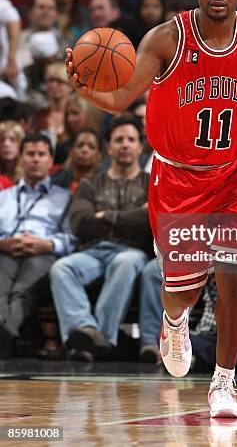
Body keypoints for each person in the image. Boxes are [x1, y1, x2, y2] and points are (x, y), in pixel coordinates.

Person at [66, 0, 237, 418]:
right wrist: (87, 89)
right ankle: (174, 320)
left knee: (234, 276)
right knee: (183, 290)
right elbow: (123, 97)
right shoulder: (167, 38)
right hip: (176, 179)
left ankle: (224, 384)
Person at [50, 115, 150, 361]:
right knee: (62, 268)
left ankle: (99, 339)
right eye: (119, 140)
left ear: (140, 146)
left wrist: (106, 216)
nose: (125, 144)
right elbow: (80, 223)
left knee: (124, 262)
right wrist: (134, 216)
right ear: (108, 147)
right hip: (93, 251)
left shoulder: (152, 184)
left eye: (131, 139)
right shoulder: (90, 184)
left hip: (132, 251)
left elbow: (151, 222)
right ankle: (87, 329)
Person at [0, 133, 75, 358]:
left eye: (41, 154)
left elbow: (71, 238)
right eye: (30, 154)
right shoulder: (4, 196)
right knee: (1, 290)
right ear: (21, 159)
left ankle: (5, 334)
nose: (35, 159)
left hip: (42, 254)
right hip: (5, 252)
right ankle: (6, 334)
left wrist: (47, 244)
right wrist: (3, 244)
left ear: (51, 161)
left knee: (22, 291)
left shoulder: (65, 197)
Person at [51, 128, 103, 193]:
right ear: (71, 152)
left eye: (91, 147)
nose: (84, 150)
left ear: (99, 155)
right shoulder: (55, 183)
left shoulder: (104, 186)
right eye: (80, 146)